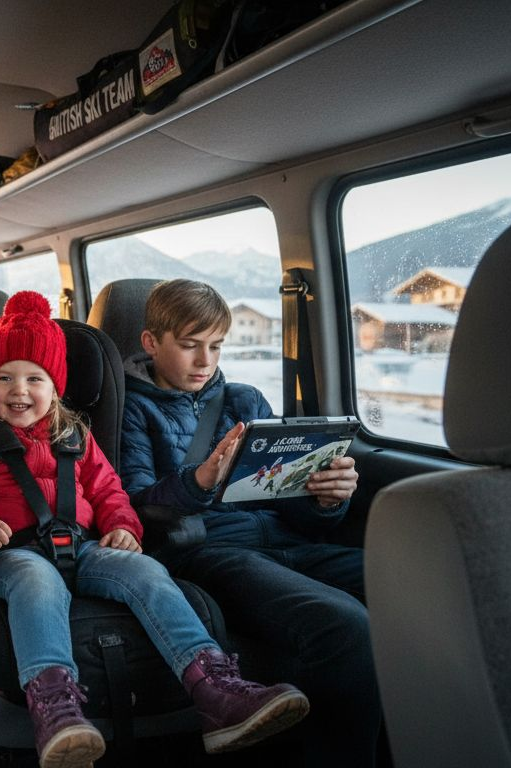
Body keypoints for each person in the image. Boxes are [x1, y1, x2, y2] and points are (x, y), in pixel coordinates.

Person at [0, 292, 309, 767]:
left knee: (147, 572)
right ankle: (55, 707)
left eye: (35, 378)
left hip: (86, 547)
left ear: (57, 387)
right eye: (3, 378)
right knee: (37, 581)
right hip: (12, 554)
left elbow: (110, 489)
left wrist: (124, 527)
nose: (18, 390)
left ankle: (213, 688)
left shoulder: (76, 437)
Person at [118, 278, 379, 768]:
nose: (205, 361)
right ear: (151, 343)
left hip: (285, 539)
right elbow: (134, 504)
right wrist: (198, 480)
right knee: (345, 623)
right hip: (208, 550)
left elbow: (287, 501)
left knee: (416, 586)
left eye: (216, 346)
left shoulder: (245, 401)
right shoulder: (132, 407)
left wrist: (325, 499)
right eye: (190, 346)